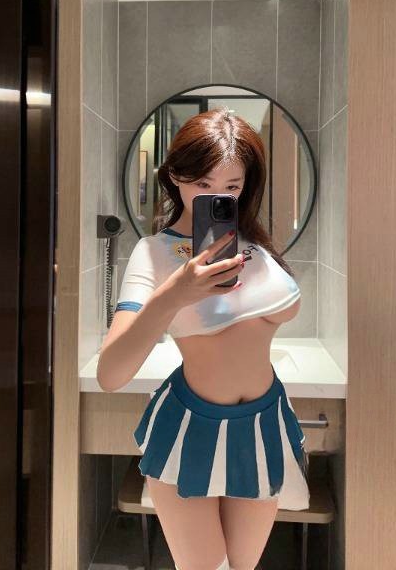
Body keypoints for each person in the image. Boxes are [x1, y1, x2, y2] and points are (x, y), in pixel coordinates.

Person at [97, 107, 310, 570]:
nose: (218, 197)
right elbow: (111, 373)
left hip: (264, 421)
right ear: (175, 176)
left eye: (232, 187)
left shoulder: (254, 248)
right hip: (190, 425)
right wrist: (174, 294)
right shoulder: (153, 253)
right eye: (203, 184)